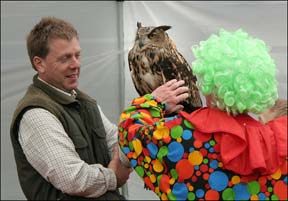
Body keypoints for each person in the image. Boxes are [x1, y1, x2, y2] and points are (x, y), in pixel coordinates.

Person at [118, 29, 287, 200]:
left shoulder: (179, 135)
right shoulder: (282, 141)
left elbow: (129, 133)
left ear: (209, 82)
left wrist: (154, 101)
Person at [10, 16, 136, 200]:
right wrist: (113, 176)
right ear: (39, 63)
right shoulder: (35, 113)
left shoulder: (85, 102)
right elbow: (73, 179)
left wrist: (120, 159)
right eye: (65, 58)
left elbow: (120, 142)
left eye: (77, 55)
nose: (76, 64)